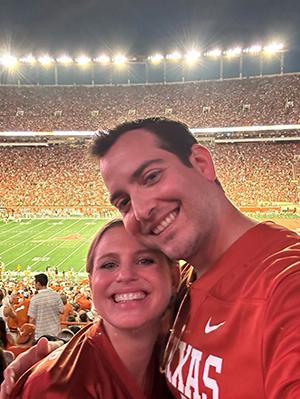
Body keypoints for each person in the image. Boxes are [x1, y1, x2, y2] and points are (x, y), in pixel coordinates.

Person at [2, 117, 300, 398]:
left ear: (200, 163)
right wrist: (59, 355)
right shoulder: (183, 284)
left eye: (152, 176)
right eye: (124, 201)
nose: (142, 210)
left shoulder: (286, 286)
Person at [7, 219, 178, 398]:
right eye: (109, 264)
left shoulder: (186, 360)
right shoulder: (52, 389)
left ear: (174, 277)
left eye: (145, 260)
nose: (125, 275)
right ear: (91, 283)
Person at [28, 274, 64, 341]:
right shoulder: (56, 296)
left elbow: (32, 319)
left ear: (38, 283)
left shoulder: (34, 299)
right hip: (55, 333)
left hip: (40, 335)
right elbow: (62, 311)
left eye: (35, 283)